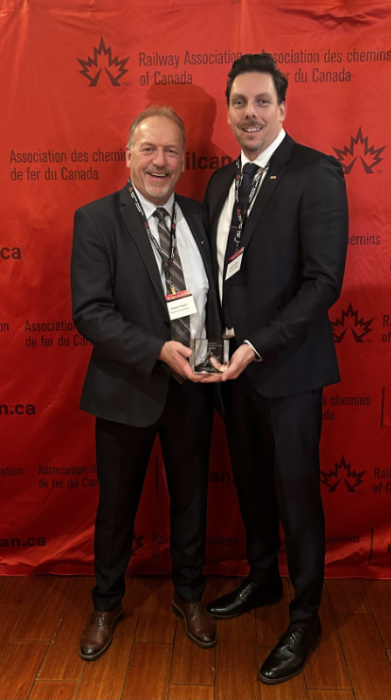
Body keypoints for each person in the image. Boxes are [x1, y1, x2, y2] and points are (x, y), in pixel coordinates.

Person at [202, 53, 348, 684]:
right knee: (253, 488)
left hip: (286, 371)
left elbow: (322, 284)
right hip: (229, 375)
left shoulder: (316, 173)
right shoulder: (218, 184)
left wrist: (256, 346)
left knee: (296, 496)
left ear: (283, 109)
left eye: (262, 102)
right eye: (239, 102)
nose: (250, 113)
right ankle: (262, 580)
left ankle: (306, 614)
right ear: (229, 110)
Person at [70, 106, 221, 661]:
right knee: (116, 509)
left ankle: (190, 596)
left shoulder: (200, 217)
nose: (161, 161)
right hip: (126, 387)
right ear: (128, 154)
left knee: (191, 501)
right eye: (149, 149)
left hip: (194, 391)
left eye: (171, 152)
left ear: (184, 160)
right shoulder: (96, 219)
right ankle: (106, 604)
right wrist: (156, 349)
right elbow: (90, 312)